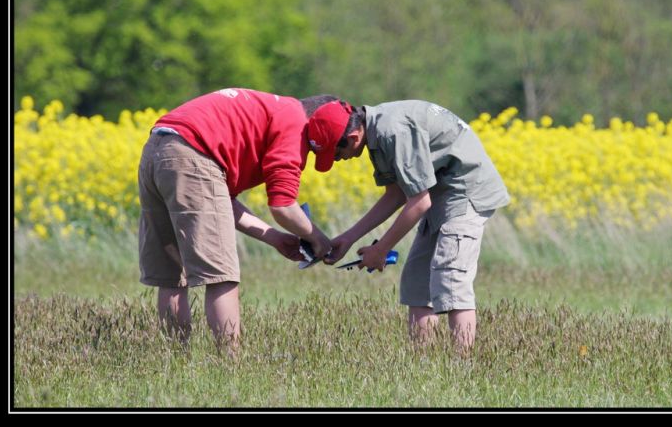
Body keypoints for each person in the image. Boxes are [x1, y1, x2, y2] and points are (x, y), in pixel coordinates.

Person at [137, 88, 335, 350]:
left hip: (156, 148)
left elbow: (222, 201)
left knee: (172, 275)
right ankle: (230, 366)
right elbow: (283, 206)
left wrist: (274, 238)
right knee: (222, 276)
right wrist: (319, 240)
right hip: (192, 155)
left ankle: (173, 360)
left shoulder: (270, 110)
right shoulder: (295, 123)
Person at [308, 100, 510, 353]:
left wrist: (381, 249)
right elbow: (396, 194)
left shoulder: (393, 131)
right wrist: (348, 239)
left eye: (336, 154)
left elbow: (419, 201)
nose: (338, 160)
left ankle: (463, 368)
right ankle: (423, 365)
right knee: (416, 281)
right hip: (439, 191)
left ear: (353, 136)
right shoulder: (375, 134)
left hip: (465, 190)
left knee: (451, 277)